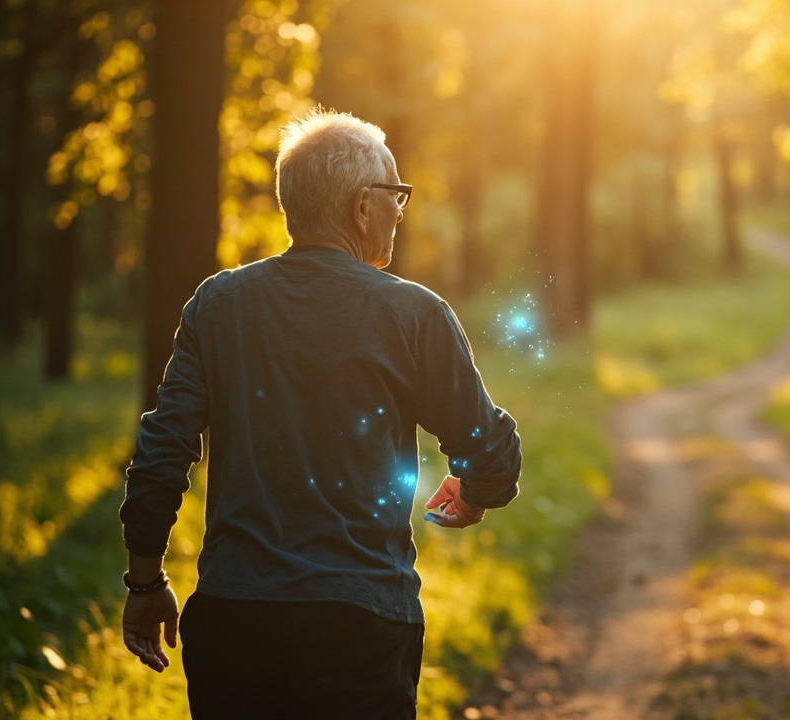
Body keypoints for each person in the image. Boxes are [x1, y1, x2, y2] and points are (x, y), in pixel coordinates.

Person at [118, 107, 521, 719]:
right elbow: (487, 450)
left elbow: (162, 451)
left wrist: (145, 581)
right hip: (360, 622)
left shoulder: (218, 305)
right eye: (396, 196)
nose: (401, 211)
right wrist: (473, 493)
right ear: (363, 206)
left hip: (233, 620)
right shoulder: (414, 314)